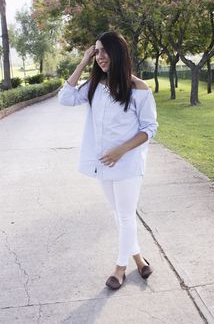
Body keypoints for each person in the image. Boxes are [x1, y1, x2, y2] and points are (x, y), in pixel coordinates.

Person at [58, 31, 158, 290]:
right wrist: (83, 62)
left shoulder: (138, 88)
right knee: (120, 215)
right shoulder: (94, 86)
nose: (100, 57)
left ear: (118, 53)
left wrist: (121, 150)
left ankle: (120, 268)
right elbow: (65, 98)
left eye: (104, 51)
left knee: (125, 216)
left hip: (128, 164)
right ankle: (138, 258)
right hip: (103, 164)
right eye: (97, 51)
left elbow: (149, 128)